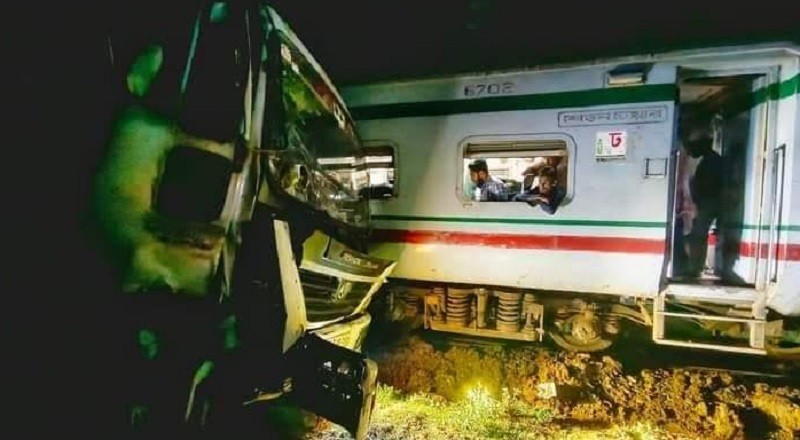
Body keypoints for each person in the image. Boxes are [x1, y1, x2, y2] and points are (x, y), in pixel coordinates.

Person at [682, 127, 723, 277]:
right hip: (706, 204)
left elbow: (707, 185)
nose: (692, 150)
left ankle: (695, 268)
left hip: (708, 204)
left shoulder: (711, 161)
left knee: (698, 235)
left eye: (695, 145)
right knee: (697, 234)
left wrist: (696, 200)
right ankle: (695, 267)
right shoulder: (711, 159)